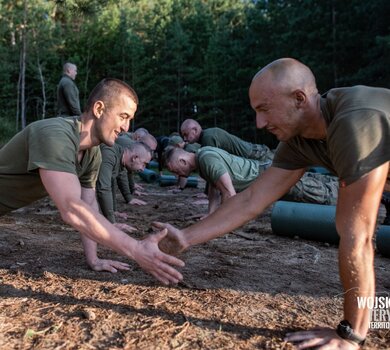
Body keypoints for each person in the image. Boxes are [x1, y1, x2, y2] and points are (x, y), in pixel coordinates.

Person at [155, 58, 390, 348]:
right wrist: (186, 237)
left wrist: (351, 334)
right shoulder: (299, 139)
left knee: (350, 228)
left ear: (299, 99)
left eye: (264, 109)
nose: (259, 123)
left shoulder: (354, 121)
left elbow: (359, 237)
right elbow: (252, 199)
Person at [0, 77, 184, 284]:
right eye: (123, 116)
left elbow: (87, 205)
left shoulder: (93, 153)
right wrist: (136, 249)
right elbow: (71, 208)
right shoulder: (54, 135)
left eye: (129, 119)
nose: (126, 127)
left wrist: (94, 259)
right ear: (98, 109)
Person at [164, 146, 338, 215]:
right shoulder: (202, 159)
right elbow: (214, 191)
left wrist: (222, 223)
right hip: (268, 175)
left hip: (270, 178)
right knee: (319, 183)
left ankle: (358, 199)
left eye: (174, 170)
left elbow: (229, 192)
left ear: (182, 161)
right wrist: (211, 216)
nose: (177, 174)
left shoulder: (206, 160)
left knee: (319, 194)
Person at [96, 142, 152, 231]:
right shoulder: (110, 154)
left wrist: (114, 211)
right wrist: (112, 223)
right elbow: (103, 188)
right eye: (143, 164)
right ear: (135, 158)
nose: (143, 169)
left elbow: (112, 182)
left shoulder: (121, 159)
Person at [181, 118, 274, 164]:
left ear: (195, 130)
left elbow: (214, 167)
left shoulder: (208, 138)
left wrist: (208, 195)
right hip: (254, 155)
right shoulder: (207, 136)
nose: (185, 139)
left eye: (186, 134)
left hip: (258, 156)